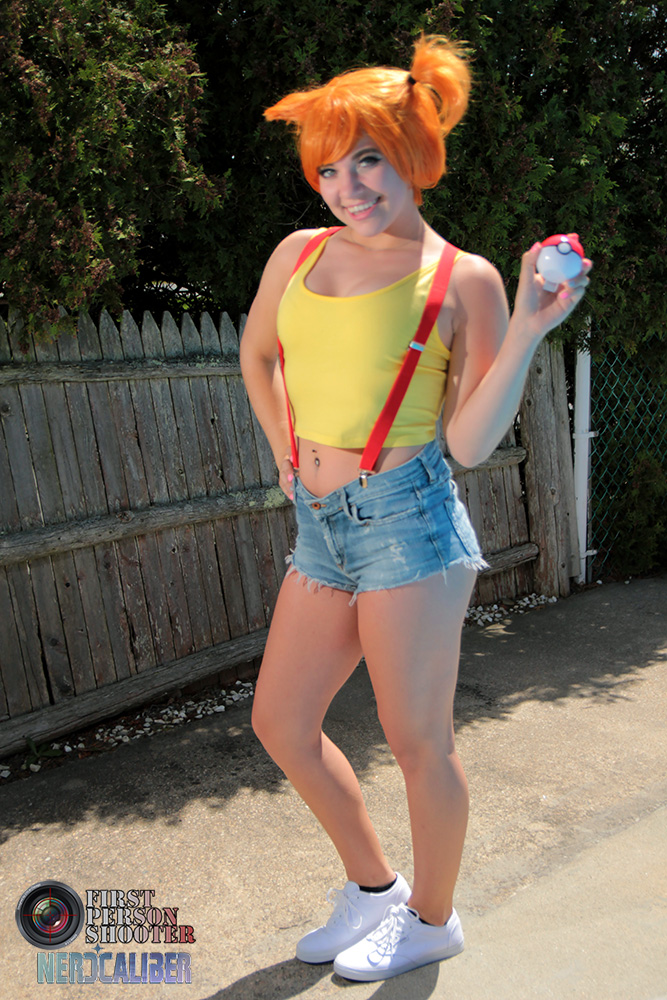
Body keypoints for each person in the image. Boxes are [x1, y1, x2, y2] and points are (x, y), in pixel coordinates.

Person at [240, 34, 591, 982]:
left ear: (413, 154)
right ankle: (372, 891)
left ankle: (431, 919)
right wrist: (282, 446)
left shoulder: (462, 278)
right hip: (321, 526)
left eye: (366, 160)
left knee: (416, 742)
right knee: (281, 722)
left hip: (408, 525)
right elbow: (258, 357)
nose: (345, 185)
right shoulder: (297, 253)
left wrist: (526, 329)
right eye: (328, 167)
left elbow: (469, 442)